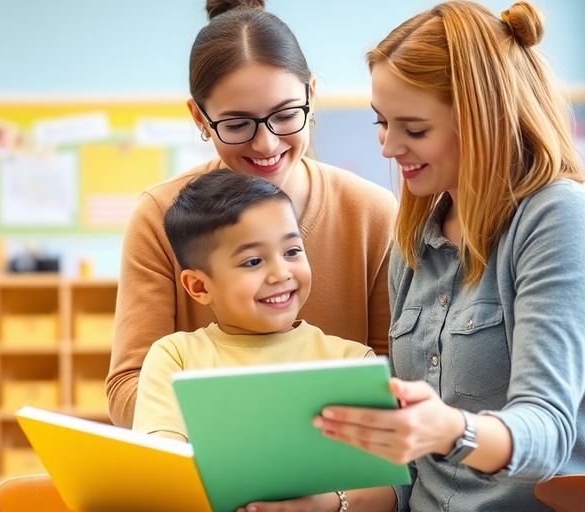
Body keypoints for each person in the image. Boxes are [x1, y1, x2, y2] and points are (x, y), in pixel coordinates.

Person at [242, 2, 585, 511]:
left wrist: (449, 429)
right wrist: (329, 505)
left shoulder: (560, 218)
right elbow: (413, 471)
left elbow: (546, 436)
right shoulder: (414, 240)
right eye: (382, 123)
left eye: (414, 129)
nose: (389, 148)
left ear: (484, 120)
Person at [106, 0, 398, 428]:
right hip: (208, 471)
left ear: (311, 96)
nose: (266, 144)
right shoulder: (159, 216)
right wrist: (259, 429)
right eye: (238, 124)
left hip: (336, 470)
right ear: (199, 117)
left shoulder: (371, 212)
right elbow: (129, 387)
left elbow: (387, 375)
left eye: (284, 115)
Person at [133, 169, 397, 512]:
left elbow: (387, 491)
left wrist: (325, 505)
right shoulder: (175, 357)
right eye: (253, 261)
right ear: (199, 286)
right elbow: (160, 470)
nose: (281, 273)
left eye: (292, 251)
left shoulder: (353, 362)